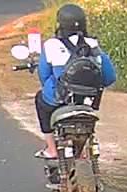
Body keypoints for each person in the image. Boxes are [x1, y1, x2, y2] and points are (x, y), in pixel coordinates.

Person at [34, 4, 117, 161]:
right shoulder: (93, 45)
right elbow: (109, 77)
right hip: (88, 100)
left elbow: (44, 75)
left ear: (60, 24)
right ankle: (83, 150)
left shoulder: (51, 45)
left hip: (60, 99)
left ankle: (51, 149)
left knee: (40, 100)